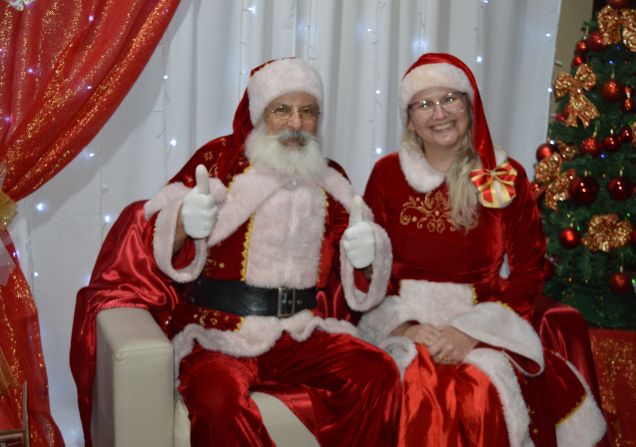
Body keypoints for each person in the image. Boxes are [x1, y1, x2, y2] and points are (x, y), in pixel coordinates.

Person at [71, 57, 400, 446]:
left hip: (299, 332)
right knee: (216, 397)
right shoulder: (219, 161)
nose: (296, 124)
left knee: (377, 371)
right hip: (217, 334)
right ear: (260, 114)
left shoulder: (331, 179)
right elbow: (150, 231)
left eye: (308, 111)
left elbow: (357, 264)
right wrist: (182, 223)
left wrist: (367, 255)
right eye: (282, 110)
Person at [358, 53, 607, 446]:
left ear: (469, 106)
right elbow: (369, 266)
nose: (439, 113)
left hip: (479, 325)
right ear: (409, 118)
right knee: (414, 382)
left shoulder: (505, 176)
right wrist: (405, 327)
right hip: (406, 324)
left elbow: (528, 269)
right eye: (424, 104)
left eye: (449, 99)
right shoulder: (387, 174)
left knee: (479, 388)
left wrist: (470, 332)